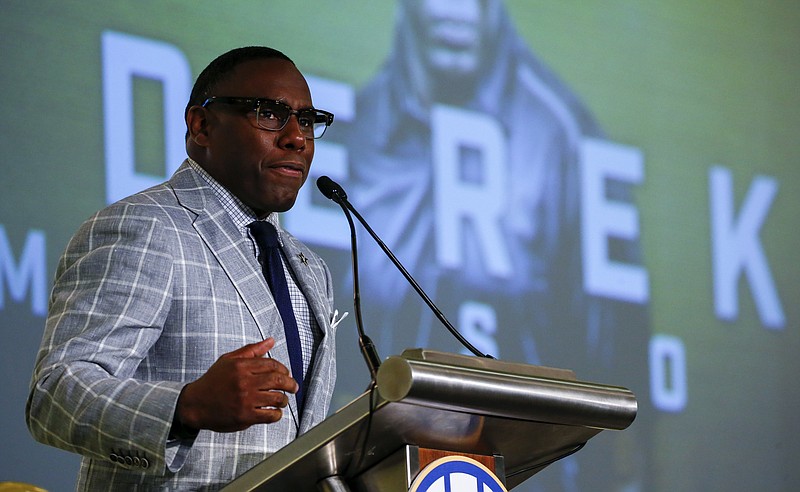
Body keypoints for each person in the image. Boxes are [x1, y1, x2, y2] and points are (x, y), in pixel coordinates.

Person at [339, 0, 651, 490]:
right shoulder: (361, 126)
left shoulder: (560, 133)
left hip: (527, 466)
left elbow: (612, 346)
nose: (455, 13)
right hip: (378, 464)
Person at [26, 46, 338, 490]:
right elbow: (55, 396)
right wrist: (185, 406)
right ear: (202, 125)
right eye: (270, 114)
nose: (296, 138)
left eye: (306, 120)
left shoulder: (308, 267)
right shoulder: (145, 226)